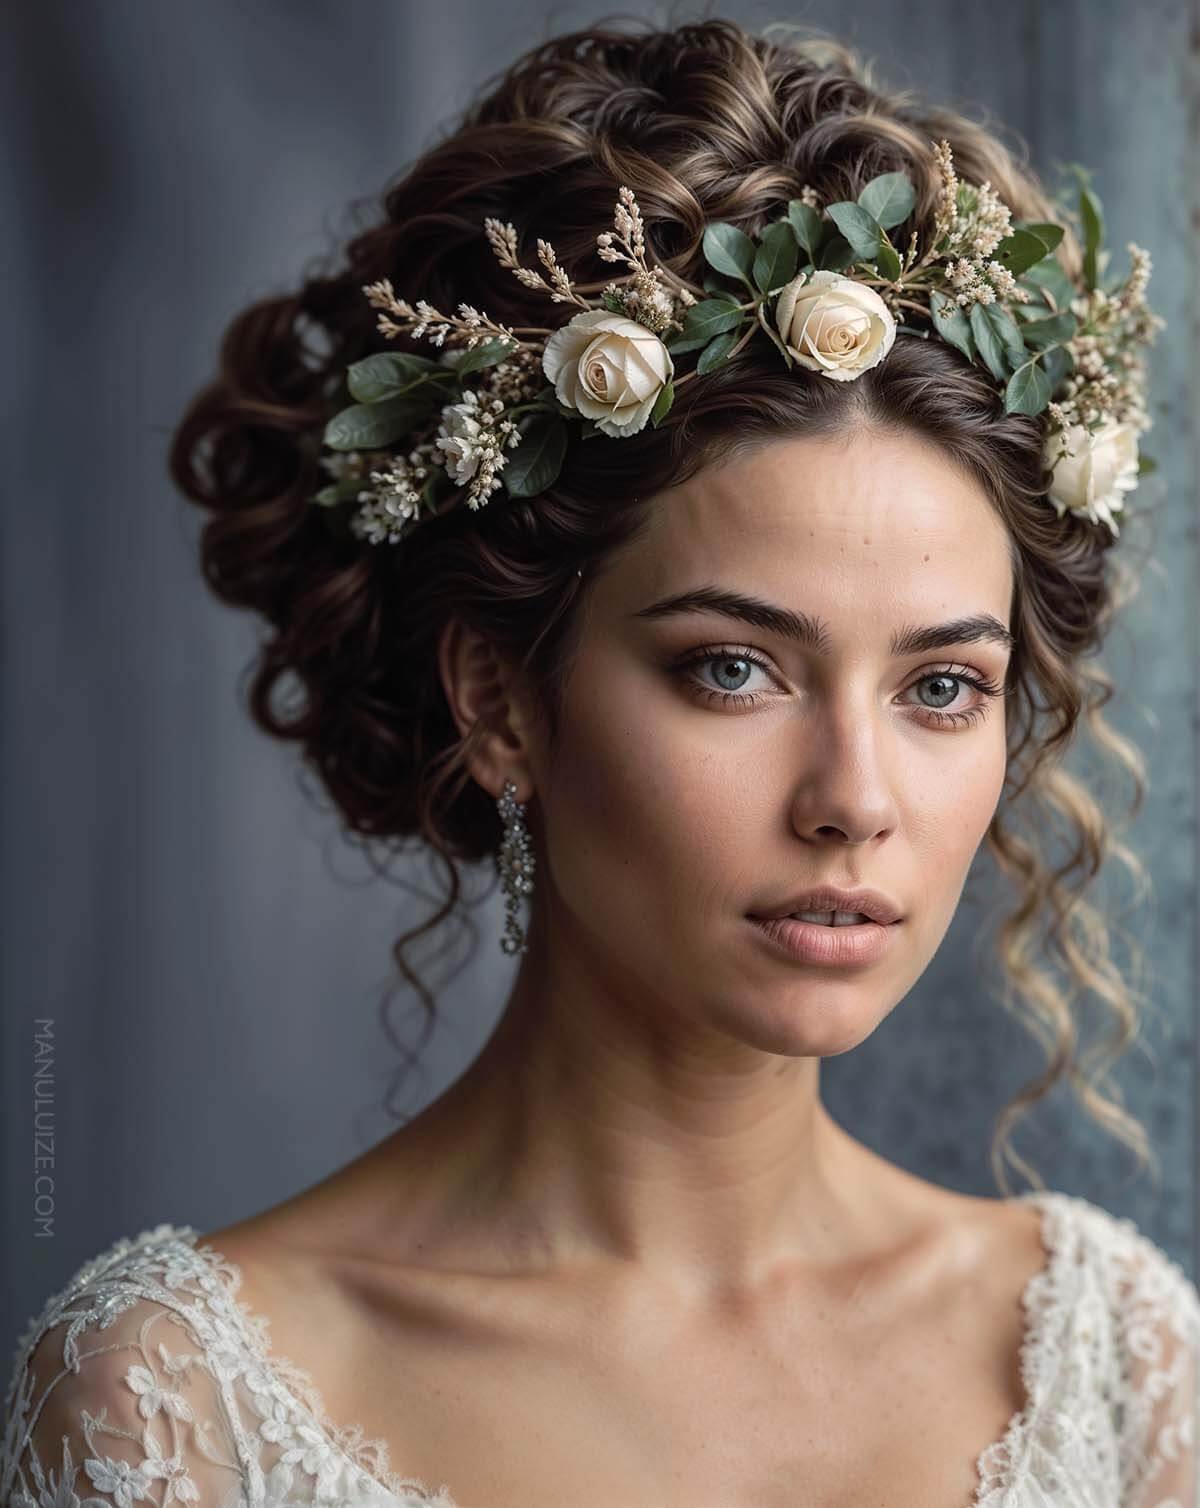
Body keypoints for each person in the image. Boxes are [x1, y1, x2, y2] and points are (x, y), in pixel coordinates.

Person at [3, 16, 1196, 1508]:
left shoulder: (1113, 1363)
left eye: (942, 686)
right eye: (733, 669)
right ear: (502, 702)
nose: (857, 800)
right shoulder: (177, 1401)